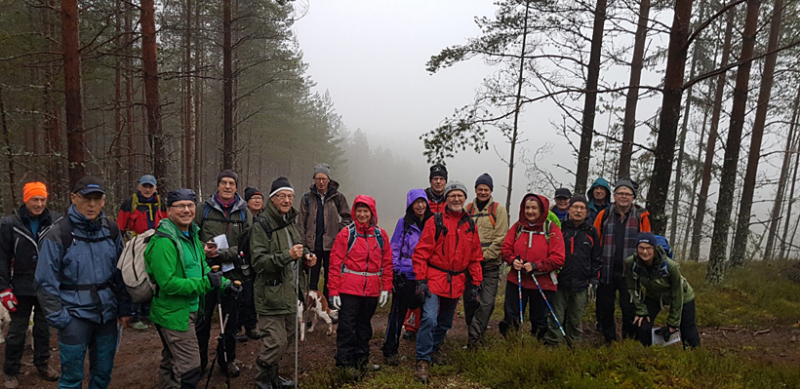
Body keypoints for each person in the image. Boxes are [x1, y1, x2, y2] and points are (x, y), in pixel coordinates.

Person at [35, 176, 129, 389]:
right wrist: (59, 317)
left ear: (104, 201)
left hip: (107, 314)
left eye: (97, 199)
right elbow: (44, 280)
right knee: (71, 378)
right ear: (74, 199)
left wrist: (124, 308)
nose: (92, 204)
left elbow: (121, 272)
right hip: (73, 316)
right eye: (87, 199)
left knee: (103, 373)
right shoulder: (59, 233)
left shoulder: (111, 230)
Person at [145, 188, 240, 389]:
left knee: (171, 361)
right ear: (168, 210)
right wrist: (206, 284)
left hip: (187, 310)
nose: (186, 210)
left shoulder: (191, 236)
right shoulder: (164, 242)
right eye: (180, 206)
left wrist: (225, 284)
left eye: (190, 205)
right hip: (173, 314)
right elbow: (168, 283)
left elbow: (203, 268)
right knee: (190, 367)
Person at [412, 181, 483, 384]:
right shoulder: (435, 222)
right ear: (447, 198)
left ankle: (432, 350)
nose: (456, 199)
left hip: (457, 281)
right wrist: (420, 279)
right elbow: (421, 252)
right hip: (434, 278)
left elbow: (475, 257)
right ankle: (422, 360)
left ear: (465, 198)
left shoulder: (470, 225)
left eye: (460, 195)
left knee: (444, 322)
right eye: (452, 195)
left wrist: (476, 284)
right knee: (429, 318)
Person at [250, 177, 317, 389]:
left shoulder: (289, 221)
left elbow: (297, 246)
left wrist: (306, 255)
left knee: (288, 336)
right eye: (282, 196)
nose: (287, 200)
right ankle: (262, 383)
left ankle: (273, 379)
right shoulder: (261, 225)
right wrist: (287, 255)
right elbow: (258, 262)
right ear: (272, 198)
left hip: (289, 292)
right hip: (269, 295)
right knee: (275, 342)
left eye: (290, 196)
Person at [0, 182, 61, 388]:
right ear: (26, 200)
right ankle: (10, 371)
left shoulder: (55, 221)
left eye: (43, 199)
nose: (39, 204)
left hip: (47, 285)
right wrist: (4, 289)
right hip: (20, 286)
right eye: (35, 199)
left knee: (43, 329)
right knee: (17, 330)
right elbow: (2, 258)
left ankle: (43, 364)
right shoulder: (9, 224)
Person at [194, 170, 252, 377]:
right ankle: (198, 362)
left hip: (232, 271)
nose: (227, 187)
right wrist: (204, 248)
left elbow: (248, 245)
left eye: (231, 184)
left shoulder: (244, 212)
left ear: (236, 187)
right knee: (203, 319)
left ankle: (227, 360)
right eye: (224, 183)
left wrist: (223, 253)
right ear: (217, 185)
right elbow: (191, 236)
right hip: (205, 271)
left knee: (230, 319)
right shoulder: (203, 209)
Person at [328, 195, 393, 379]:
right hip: (349, 290)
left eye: (366, 211)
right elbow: (335, 263)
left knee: (364, 327)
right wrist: (333, 291)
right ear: (355, 212)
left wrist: (386, 288)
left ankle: (362, 360)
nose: (363, 214)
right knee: (347, 327)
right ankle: (345, 362)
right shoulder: (347, 234)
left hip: (371, 289)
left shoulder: (380, 235)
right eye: (359, 211)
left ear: (372, 213)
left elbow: (387, 263)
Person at [499, 193, 565, 340]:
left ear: (542, 210)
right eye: (527, 208)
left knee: (540, 320)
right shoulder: (518, 227)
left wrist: (536, 265)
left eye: (534, 208)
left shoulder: (551, 229)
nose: (530, 211)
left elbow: (558, 258)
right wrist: (512, 260)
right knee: (511, 317)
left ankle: (537, 347)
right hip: (517, 280)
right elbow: (505, 249)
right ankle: (512, 344)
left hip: (542, 282)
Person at [593, 178, 651, 345]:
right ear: (615, 196)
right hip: (607, 270)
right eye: (620, 193)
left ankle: (628, 339)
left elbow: (647, 243)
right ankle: (608, 339)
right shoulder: (604, 214)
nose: (624, 197)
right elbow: (596, 241)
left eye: (627, 194)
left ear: (633, 197)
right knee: (606, 307)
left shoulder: (641, 215)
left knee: (629, 308)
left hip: (631, 272)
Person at [380, 189, 433, 365]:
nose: (420, 205)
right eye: (416, 202)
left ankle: (427, 351)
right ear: (410, 204)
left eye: (422, 201)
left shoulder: (433, 222)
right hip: (405, 274)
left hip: (426, 275)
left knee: (429, 314)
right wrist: (394, 272)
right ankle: (390, 350)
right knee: (397, 313)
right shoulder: (403, 223)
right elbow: (394, 248)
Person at [543, 196, 601, 346]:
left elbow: (596, 258)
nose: (578, 210)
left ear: (587, 211)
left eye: (582, 208)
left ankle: (573, 347)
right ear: (569, 209)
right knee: (556, 317)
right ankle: (552, 345)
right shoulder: (559, 228)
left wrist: (593, 279)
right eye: (575, 207)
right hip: (559, 282)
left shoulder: (591, 231)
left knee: (575, 319)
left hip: (581, 284)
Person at [626, 233, 700, 348]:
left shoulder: (671, 266)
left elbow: (677, 293)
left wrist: (673, 323)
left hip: (683, 296)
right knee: (642, 325)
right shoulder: (631, 263)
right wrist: (641, 309)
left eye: (648, 248)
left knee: (687, 329)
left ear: (654, 249)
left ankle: (694, 357)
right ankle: (645, 354)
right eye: (641, 248)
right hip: (654, 295)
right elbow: (632, 288)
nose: (644, 252)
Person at [404, 163, 450, 338]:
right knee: (418, 290)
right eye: (435, 179)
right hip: (421, 249)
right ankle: (411, 327)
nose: (438, 182)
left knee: (436, 293)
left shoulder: (449, 199)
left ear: (445, 181)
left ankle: (434, 327)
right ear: (430, 181)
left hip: (441, 253)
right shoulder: (423, 198)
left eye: (441, 179)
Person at [463, 173, 508, 349]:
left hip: (490, 266)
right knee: (469, 302)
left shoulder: (498, 210)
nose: (483, 192)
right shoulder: (467, 210)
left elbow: (500, 238)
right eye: (480, 189)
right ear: (475, 190)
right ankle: (475, 336)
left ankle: (473, 340)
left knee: (486, 303)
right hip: (469, 268)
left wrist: (483, 258)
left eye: (486, 189)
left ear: (491, 191)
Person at [117, 174, 166, 331]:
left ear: (155, 188)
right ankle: (134, 315)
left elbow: (165, 222)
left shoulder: (160, 203)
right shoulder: (130, 203)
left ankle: (149, 314)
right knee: (136, 277)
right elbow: (120, 225)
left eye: (150, 187)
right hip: (136, 245)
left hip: (156, 243)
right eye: (144, 186)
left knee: (153, 277)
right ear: (139, 187)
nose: (147, 189)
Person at [297, 163, 351, 299]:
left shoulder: (337, 197)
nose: (321, 182)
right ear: (314, 180)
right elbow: (301, 223)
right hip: (312, 246)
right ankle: (311, 309)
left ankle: (328, 307)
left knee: (330, 279)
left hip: (331, 246)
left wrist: (337, 230)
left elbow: (348, 218)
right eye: (318, 178)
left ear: (329, 179)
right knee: (311, 280)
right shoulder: (307, 198)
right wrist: (303, 244)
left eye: (324, 178)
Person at [236, 186, 264, 342]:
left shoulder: (264, 217)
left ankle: (252, 326)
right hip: (243, 260)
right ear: (247, 201)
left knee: (254, 295)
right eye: (254, 198)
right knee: (243, 295)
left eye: (260, 198)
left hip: (258, 261)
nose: (258, 201)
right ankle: (238, 327)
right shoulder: (241, 217)